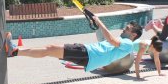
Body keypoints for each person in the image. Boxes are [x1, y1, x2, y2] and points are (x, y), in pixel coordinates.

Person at [15, 18, 143, 72]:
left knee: (50, 49)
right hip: (88, 57)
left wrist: (99, 22)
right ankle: (16, 51)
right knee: (50, 51)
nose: (123, 29)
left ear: (134, 35)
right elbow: (107, 39)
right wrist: (97, 24)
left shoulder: (128, 44)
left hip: (87, 53)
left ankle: (15, 51)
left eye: (127, 29)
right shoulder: (123, 41)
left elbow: (111, 40)